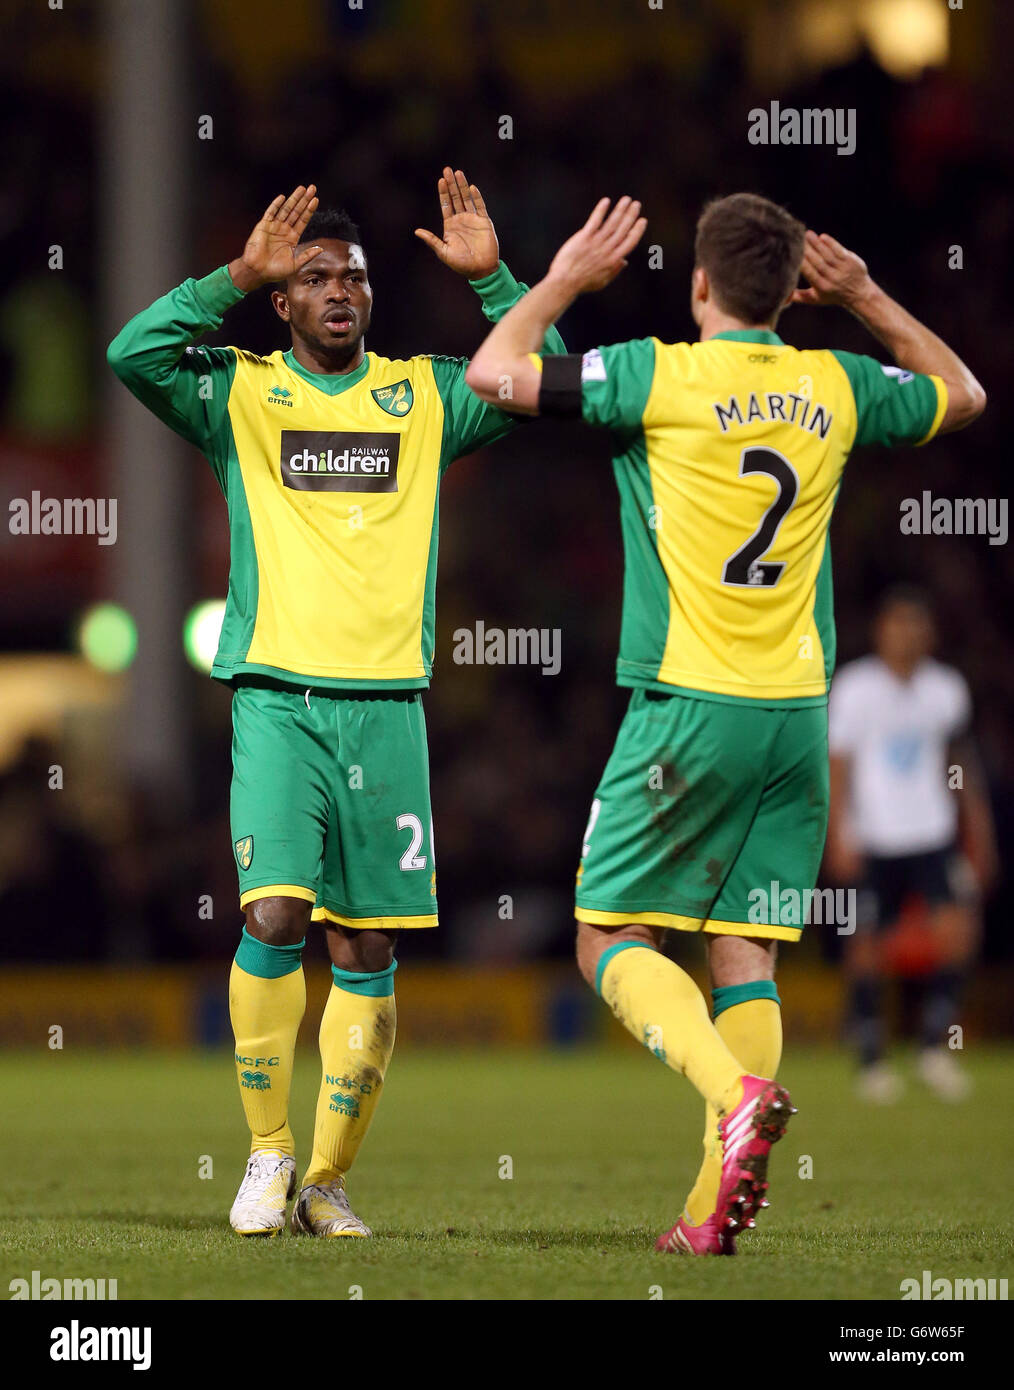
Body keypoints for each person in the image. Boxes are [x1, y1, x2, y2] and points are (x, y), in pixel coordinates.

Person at [464, 192, 985, 1253]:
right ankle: (707, 1216)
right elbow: (963, 393)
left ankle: (734, 1092)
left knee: (607, 932)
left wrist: (559, 276)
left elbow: (493, 374)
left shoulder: (658, 374)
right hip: (798, 716)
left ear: (698, 282)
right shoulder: (833, 382)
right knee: (744, 954)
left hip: (691, 708)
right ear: (798, 288)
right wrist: (867, 295)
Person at [108, 171, 565, 1239]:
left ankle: (326, 1180)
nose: (339, 290)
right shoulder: (239, 392)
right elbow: (132, 352)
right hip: (278, 699)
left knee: (366, 951)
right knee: (273, 915)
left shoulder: (425, 394)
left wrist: (494, 278)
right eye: (314, 277)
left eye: (353, 275)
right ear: (282, 301)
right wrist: (230, 275)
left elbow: (542, 375)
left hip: (390, 713)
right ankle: (266, 1155)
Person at [827, 586, 998, 1102]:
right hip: (876, 835)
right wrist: (839, 831)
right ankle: (872, 1058)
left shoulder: (946, 688)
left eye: (917, 625)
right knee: (866, 945)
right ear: (882, 630)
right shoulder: (856, 688)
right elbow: (839, 766)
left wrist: (980, 831)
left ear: (930, 633)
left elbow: (959, 764)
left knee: (960, 931)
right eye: (899, 624)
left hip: (931, 832)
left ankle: (932, 1048)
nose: (908, 634)